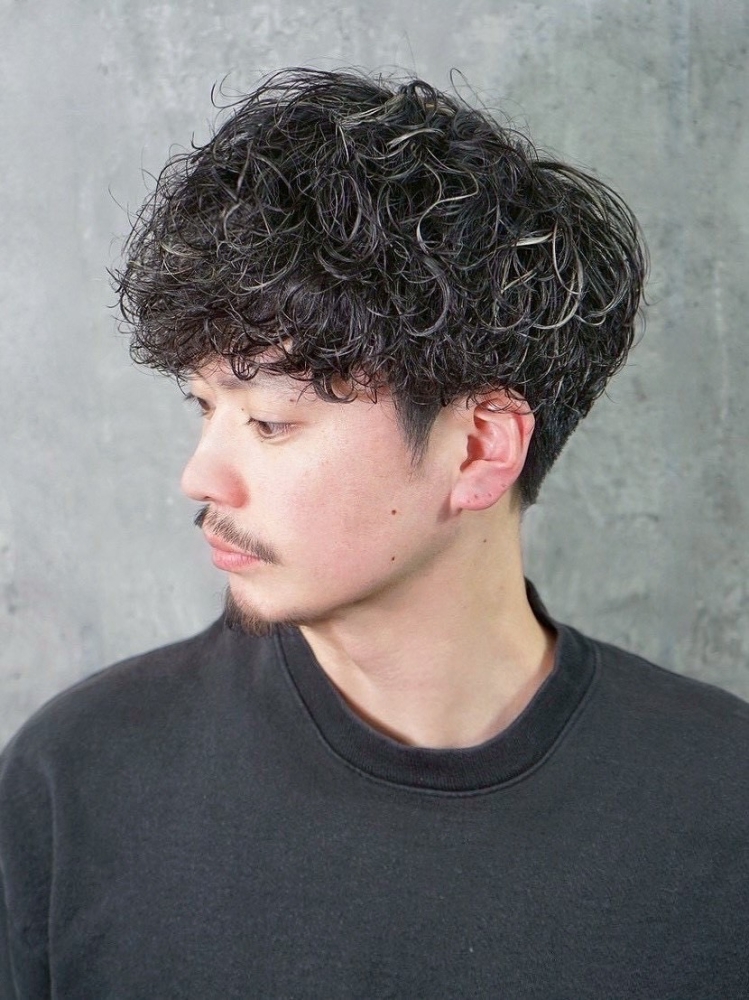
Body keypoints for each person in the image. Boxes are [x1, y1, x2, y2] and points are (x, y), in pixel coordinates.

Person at [1, 68, 747, 999]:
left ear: (479, 448)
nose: (200, 476)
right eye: (203, 407)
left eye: (269, 422)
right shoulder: (79, 782)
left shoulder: (722, 809)